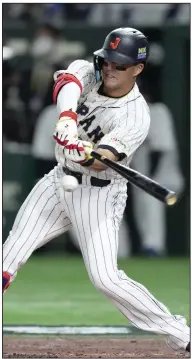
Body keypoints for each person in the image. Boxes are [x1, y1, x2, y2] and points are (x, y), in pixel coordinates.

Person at [3, 27, 190, 353]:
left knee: (105, 278)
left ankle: (181, 333)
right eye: (108, 61)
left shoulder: (136, 115)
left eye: (120, 65)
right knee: (9, 255)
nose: (110, 69)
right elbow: (67, 83)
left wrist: (85, 152)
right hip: (57, 181)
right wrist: (65, 119)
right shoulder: (91, 71)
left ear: (137, 69)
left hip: (99, 195)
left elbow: (104, 161)